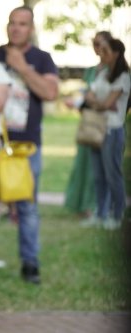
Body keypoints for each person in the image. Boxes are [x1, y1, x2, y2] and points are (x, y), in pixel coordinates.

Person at [0, 6, 59, 284]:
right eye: (12, 23)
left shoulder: (42, 58)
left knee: (27, 207)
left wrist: (22, 68)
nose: (16, 28)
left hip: (26, 148)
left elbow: (51, 92)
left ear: (31, 28)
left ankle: (30, 264)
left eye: (22, 24)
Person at [84, 38, 130, 230]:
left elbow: (109, 103)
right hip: (97, 128)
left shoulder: (124, 77)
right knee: (98, 175)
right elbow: (90, 96)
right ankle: (100, 213)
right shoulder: (103, 74)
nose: (101, 54)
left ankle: (118, 215)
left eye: (105, 51)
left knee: (113, 175)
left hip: (113, 130)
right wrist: (99, 104)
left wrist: (98, 103)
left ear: (116, 53)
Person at [67, 31, 112, 223]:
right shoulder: (92, 71)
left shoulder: (116, 70)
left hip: (108, 124)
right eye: (95, 44)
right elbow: (86, 96)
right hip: (89, 125)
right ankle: (84, 205)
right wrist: (80, 102)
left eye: (101, 44)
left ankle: (102, 208)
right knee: (85, 166)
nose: (98, 48)